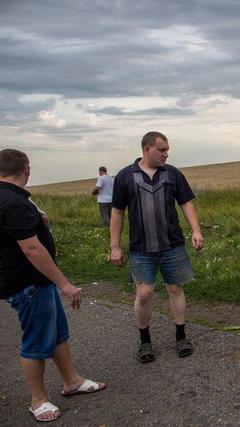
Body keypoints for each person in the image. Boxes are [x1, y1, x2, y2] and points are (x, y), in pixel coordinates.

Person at [0, 149, 106, 422]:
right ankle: (38, 400)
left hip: (37, 282)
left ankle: (72, 381)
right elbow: (32, 249)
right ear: (27, 169)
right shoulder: (14, 203)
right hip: (28, 284)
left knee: (58, 333)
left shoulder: (15, 200)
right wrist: (65, 284)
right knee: (36, 341)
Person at [109, 131, 204, 363]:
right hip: (141, 249)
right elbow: (118, 212)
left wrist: (196, 230)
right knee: (144, 294)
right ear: (147, 149)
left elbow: (186, 203)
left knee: (175, 289)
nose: (166, 154)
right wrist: (115, 246)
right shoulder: (124, 176)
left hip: (172, 245)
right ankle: (145, 341)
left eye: (167, 149)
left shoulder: (172, 174)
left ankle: (181, 336)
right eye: (161, 150)